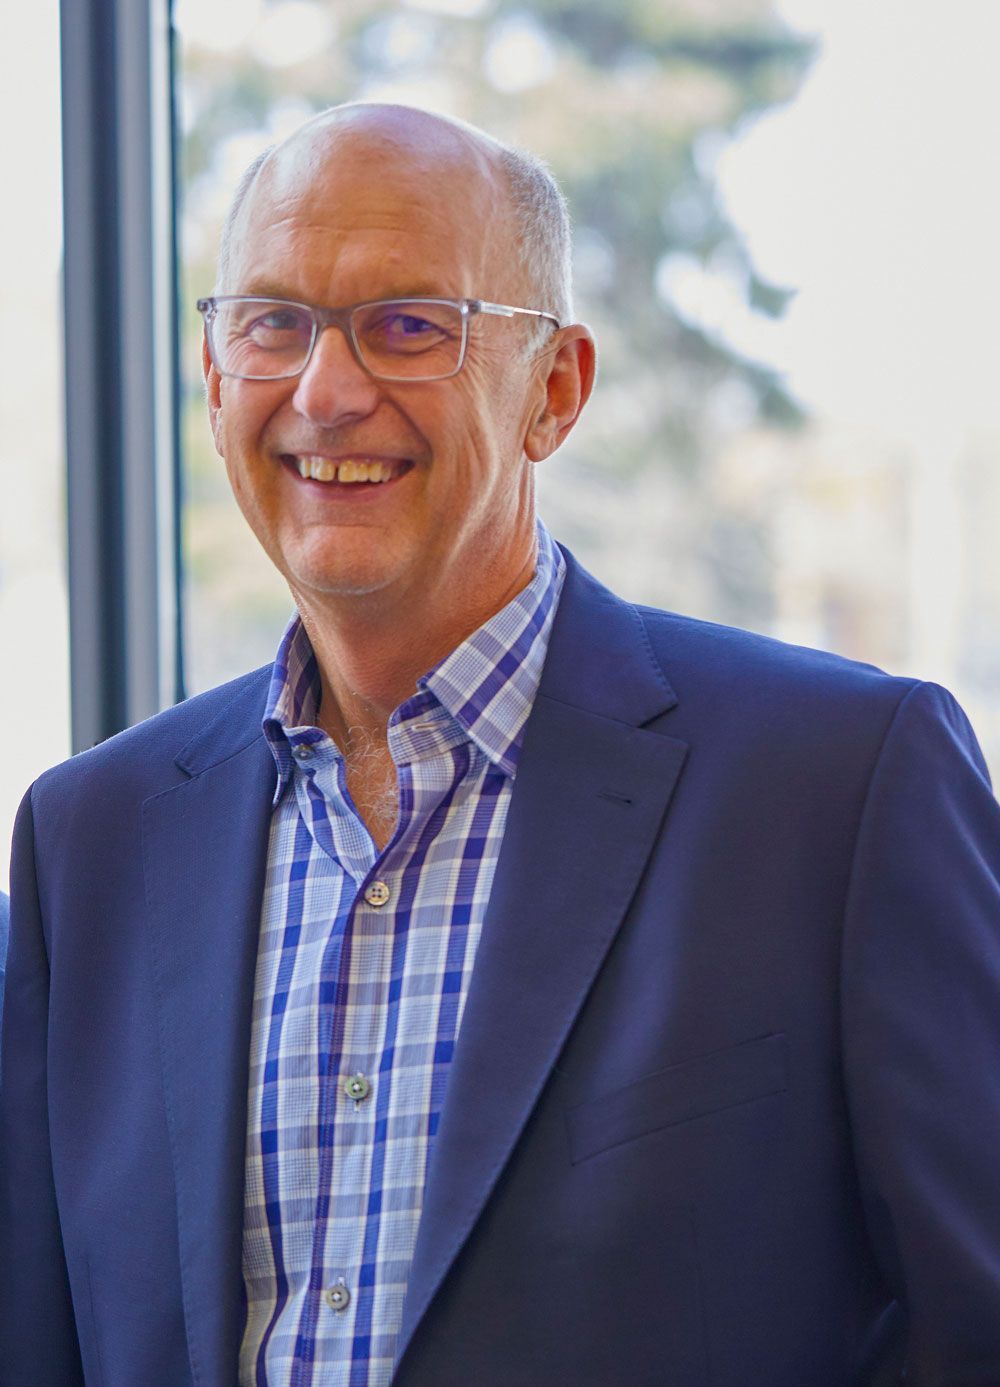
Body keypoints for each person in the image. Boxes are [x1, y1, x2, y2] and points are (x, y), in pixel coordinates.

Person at [2, 102, 1000, 1387]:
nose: (325, 391)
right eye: (274, 323)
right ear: (212, 377)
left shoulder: (839, 786)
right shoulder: (92, 839)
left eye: (409, 325)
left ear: (554, 391)